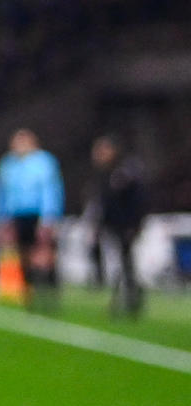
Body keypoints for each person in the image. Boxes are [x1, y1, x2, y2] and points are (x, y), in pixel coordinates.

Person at [0, 128, 63, 309]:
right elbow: (1, 193)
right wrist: (2, 218)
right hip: (17, 215)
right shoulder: (8, 164)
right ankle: (28, 294)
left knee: (44, 255)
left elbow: (51, 190)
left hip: (38, 215)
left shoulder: (44, 162)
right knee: (23, 255)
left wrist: (49, 217)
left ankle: (50, 294)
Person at [87, 135, 147, 320]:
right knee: (118, 263)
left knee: (126, 263)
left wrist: (135, 224)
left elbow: (138, 200)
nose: (98, 155)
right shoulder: (106, 174)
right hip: (111, 225)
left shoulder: (126, 171)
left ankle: (131, 299)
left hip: (125, 225)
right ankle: (125, 298)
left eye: (103, 150)